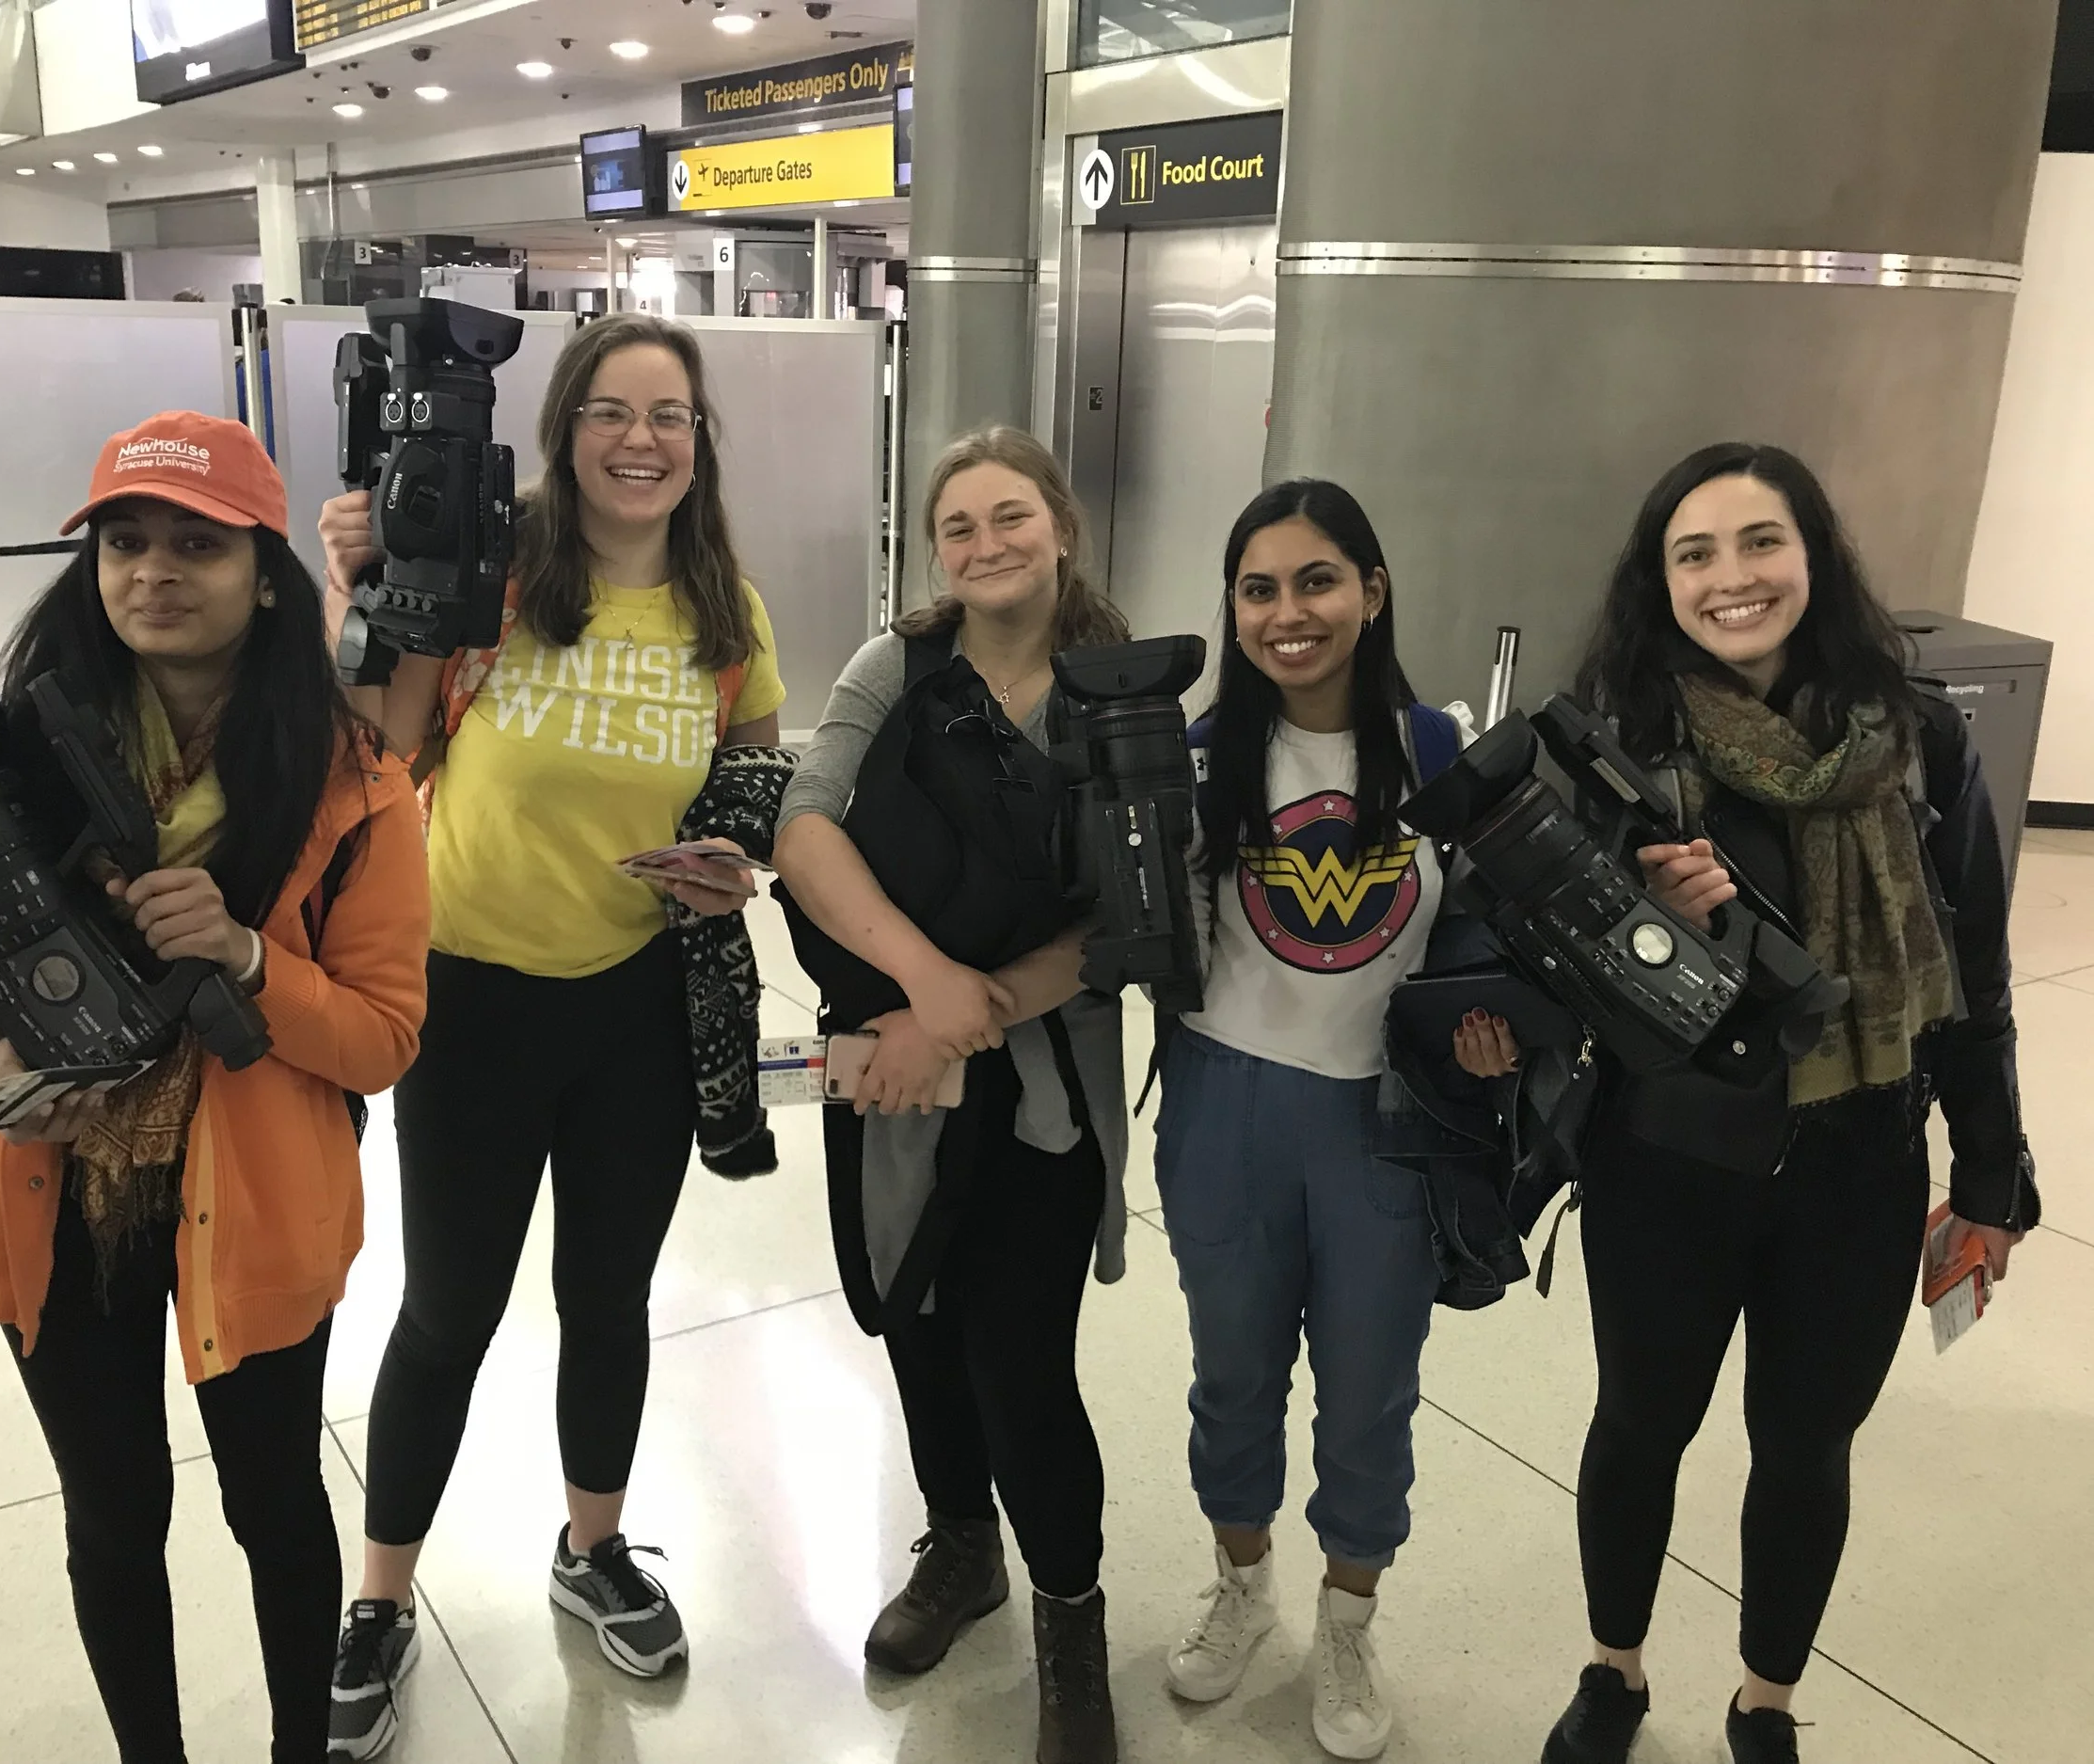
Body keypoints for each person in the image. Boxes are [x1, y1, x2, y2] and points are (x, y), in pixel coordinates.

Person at [0, 411, 432, 1764]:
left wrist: (249, 958)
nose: (153, 572)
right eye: (125, 542)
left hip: (258, 1202)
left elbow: (383, 1039)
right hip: (54, 1193)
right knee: (114, 1513)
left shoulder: (354, 785)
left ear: (268, 575)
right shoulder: (21, 769)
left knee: (273, 1502)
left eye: (199, 544)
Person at [320, 314, 792, 1759]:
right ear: (565, 430)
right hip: (471, 1001)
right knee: (448, 1311)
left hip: (637, 1008)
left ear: (700, 443)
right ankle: (379, 1602)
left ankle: (593, 1549)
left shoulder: (725, 611)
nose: (642, 440)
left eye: (671, 416)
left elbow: (755, 765)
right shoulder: (494, 582)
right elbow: (378, 746)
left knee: (607, 1296)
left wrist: (734, 853)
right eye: (611, 412)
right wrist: (364, 591)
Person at [1538, 443, 2038, 1764]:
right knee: (1640, 1424)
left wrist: (1991, 1177)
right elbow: (1563, 973)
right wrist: (1647, 922)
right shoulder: (1619, 745)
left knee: (1807, 1446)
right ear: (1660, 582)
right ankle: (1614, 1671)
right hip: (1667, 1157)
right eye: (1694, 553)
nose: (1732, 577)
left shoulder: (1921, 743)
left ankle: (1765, 1699)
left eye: (1761, 541)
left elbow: (1973, 975)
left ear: (1814, 554)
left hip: (1860, 1161)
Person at [773, 425, 1135, 1764]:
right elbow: (806, 828)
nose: (987, 545)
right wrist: (926, 988)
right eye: (959, 527)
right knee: (916, 1318)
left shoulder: (1120, 692)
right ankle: (963, 1546)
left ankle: (1071, 1621)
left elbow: (1128, 914)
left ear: (1062, 528)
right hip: (890, 1054)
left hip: (1039, 1083)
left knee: (1020, 1360)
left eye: (1011, 517)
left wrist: (971, 1017)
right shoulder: (895, 671)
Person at [1150, 481, 1514, 1759]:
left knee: (1369, 1393)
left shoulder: (1435, 749)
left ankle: (1348, 1621)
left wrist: (1490, 1030)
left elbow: (1491, 930)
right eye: (1258, 589)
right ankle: (1242, 1585)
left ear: (1372, 590)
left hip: (1385, 1118)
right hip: (1224, 1104)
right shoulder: (1196, 756)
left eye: (1317, 580)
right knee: (1233, 1376)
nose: (1287, 612)